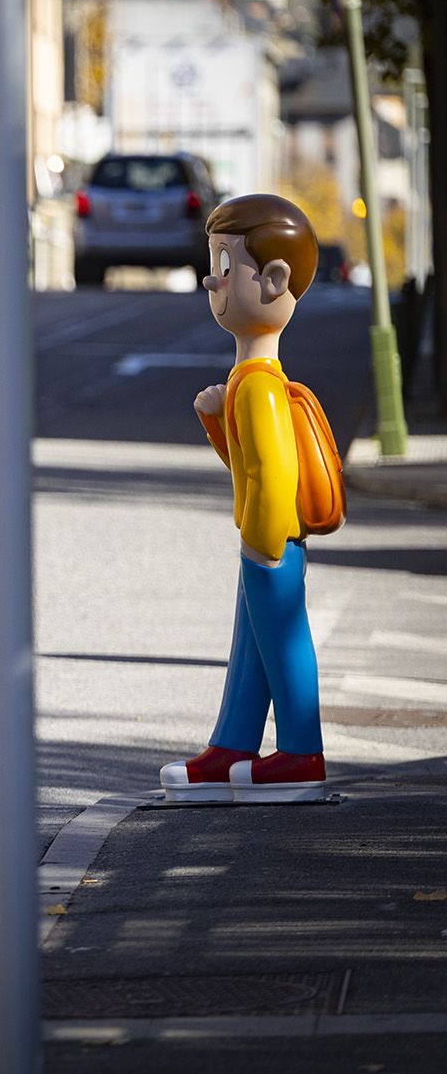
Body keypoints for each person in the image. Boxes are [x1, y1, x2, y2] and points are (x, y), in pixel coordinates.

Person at [160, 193, 332, 803]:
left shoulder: (259, 386)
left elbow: (270, 474)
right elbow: (247, 465)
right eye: (214, 260)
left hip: (268, 538)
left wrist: (261, 545)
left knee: (282, 637)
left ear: (275, 279)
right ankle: (233, 746)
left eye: (226, 264)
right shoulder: (249, 382)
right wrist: (215, 420)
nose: (213, 276)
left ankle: (300, 754)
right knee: (253, 649)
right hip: (263, 537)